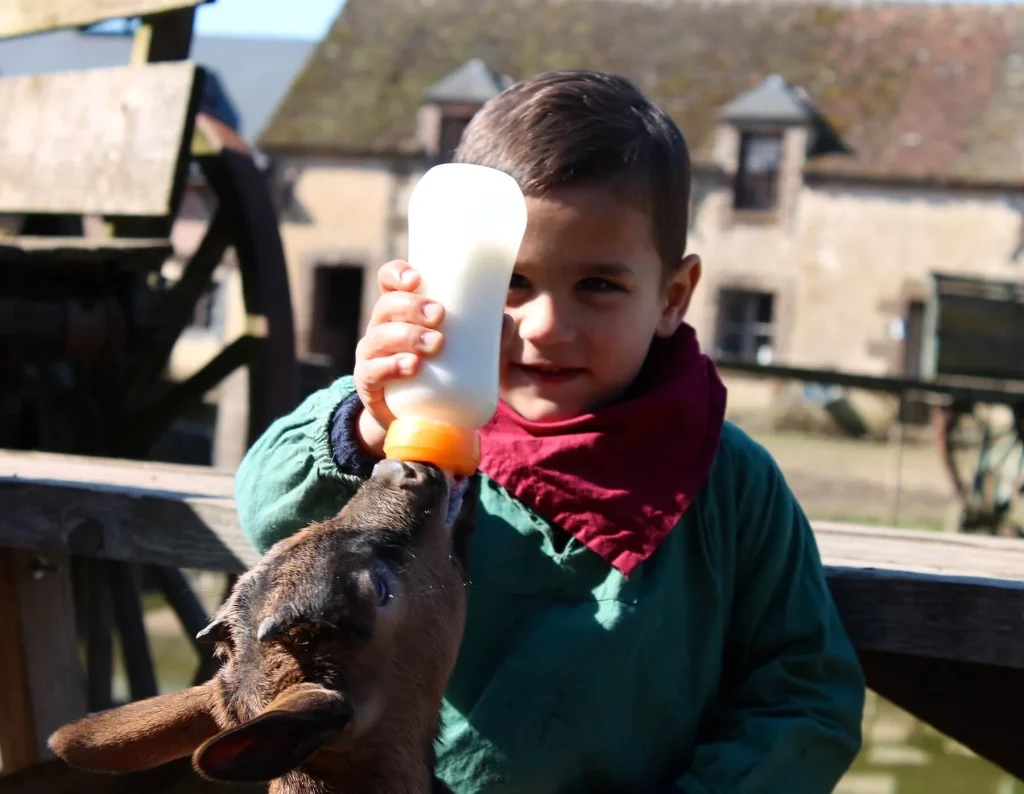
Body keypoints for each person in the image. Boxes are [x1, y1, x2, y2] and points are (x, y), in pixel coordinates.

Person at [234, 69, 866, 794]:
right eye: (511, 284)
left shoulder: (730, 481)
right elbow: (269, 510)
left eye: (598, 286)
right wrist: (369, 423)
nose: (546, 327)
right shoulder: (410, 436)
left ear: (673, 296)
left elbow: (805, 696)